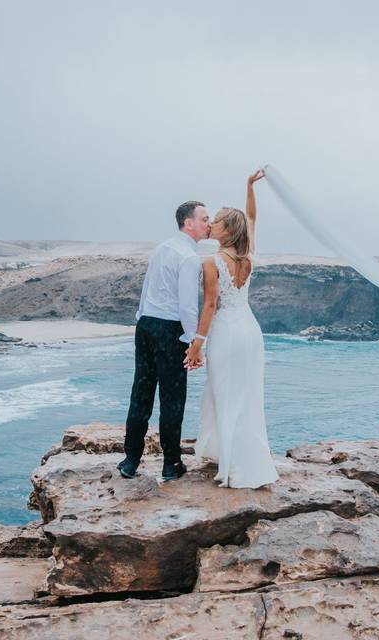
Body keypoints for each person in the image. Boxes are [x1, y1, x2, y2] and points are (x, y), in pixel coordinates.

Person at [187, 169, 279, 489]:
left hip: (226, 333)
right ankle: (242, 457)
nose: (210, 223)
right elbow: (251, 217)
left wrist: (197, 344)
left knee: (225, 395)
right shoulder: (247, 255)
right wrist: (249, 187)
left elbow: (210, 306)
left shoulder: (211, 262)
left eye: (218, 220)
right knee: (248, 396)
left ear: (226, 231)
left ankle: (231, 466)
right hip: (251, 332)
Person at [118, 200, 210, 481]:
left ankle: (130, 461)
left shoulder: (162, 248)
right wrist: (195, 341)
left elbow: (146, 289)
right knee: (172, 399)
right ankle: (171, 464)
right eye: (205, 219)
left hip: (146, 325)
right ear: (189, 223)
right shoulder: (189, 257)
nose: (210, 223)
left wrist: (141, 320)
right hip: (171, 330)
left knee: (141, 393)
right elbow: (187, 307)